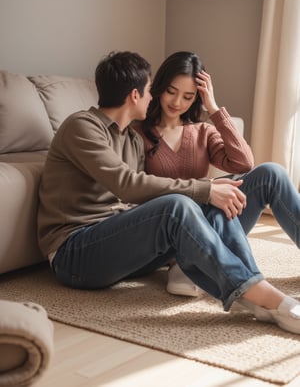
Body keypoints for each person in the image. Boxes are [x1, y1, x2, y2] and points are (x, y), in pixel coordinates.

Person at [37, 50, 300, 336]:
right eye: (152, 90)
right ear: (135, 95)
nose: (156, 97)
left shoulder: (130, 139)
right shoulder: (82, 126)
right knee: (180, 204)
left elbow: (133, 197)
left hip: (119, 243)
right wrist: (204, 190)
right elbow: (128, 184)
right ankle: (266, 298)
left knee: (221, 194)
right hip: (75, 253)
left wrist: (207, 195)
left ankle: (253, 294)